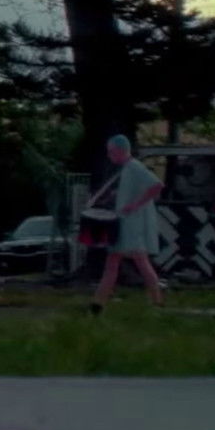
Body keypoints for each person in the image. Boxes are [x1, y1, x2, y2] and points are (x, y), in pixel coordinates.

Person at [90, 134, 164, 315]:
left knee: (139, 262)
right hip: (123, 224)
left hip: (133, 226)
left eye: (111, 152)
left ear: (119, 151)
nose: (109, 155)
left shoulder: (135, 167)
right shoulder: (126, 170)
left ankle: (157, 301)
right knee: (114, 262)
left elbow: (157, 185)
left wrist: (135, 205)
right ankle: (98, 303)